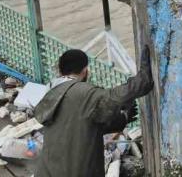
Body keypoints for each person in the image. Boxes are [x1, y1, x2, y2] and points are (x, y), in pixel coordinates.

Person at [33, 46, 154, 177]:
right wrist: (143, 78)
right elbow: (118, 96)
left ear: (61, 71)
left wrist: (122, 119)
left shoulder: (53, 93)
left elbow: (84, 125)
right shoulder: (83, 93)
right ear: (85, 70)